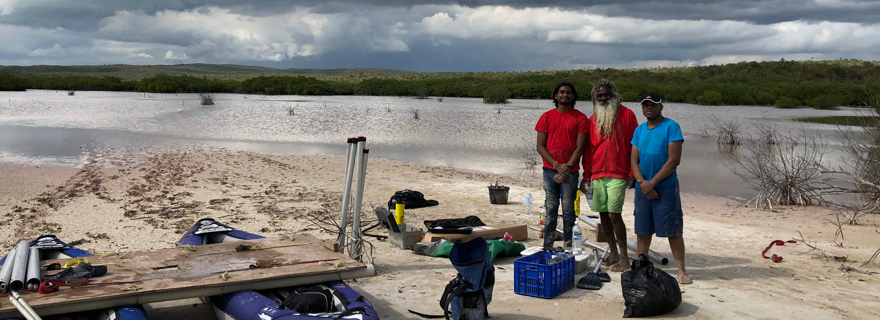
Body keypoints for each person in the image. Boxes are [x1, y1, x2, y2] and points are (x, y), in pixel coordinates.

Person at [630, 93, 691, 284]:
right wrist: (643, 183)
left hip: (665, 186)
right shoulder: (639, 130)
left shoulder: (671, 127)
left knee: (673, 229)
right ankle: (642, 267)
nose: (649, 108)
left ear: (660, 107)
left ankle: (681, 270)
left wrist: (653, 183)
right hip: (643, 187)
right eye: (645, 105)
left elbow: (674, 160)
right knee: (642, 229)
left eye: (653, 105)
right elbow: (633, 160)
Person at [579, 80, 639, 272]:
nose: (603, 98)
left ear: (614, 95)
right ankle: (612, 252)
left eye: (606, 94)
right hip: (597, 173)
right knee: (603, 214)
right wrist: (586, 175)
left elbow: (635, 146)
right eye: (600, 96)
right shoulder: (593, 118)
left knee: (614, 214)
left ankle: (624, 258)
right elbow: (588, 150)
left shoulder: (628, 115)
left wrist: (632, 172)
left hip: (618, 173)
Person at [535, 82, 589, 249]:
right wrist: (557, 165)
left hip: (570, 174)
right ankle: (548, 245)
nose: (565, 95)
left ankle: (568, 246)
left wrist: (565, 170)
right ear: (556, 96)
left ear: (573, 97)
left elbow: (580, 148)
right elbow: (540, 146)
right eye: (562, 92)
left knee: (568, 212)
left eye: (568, 93)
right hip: (549, 171)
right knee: (550, 209)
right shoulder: (546, 117)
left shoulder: (580, 118)